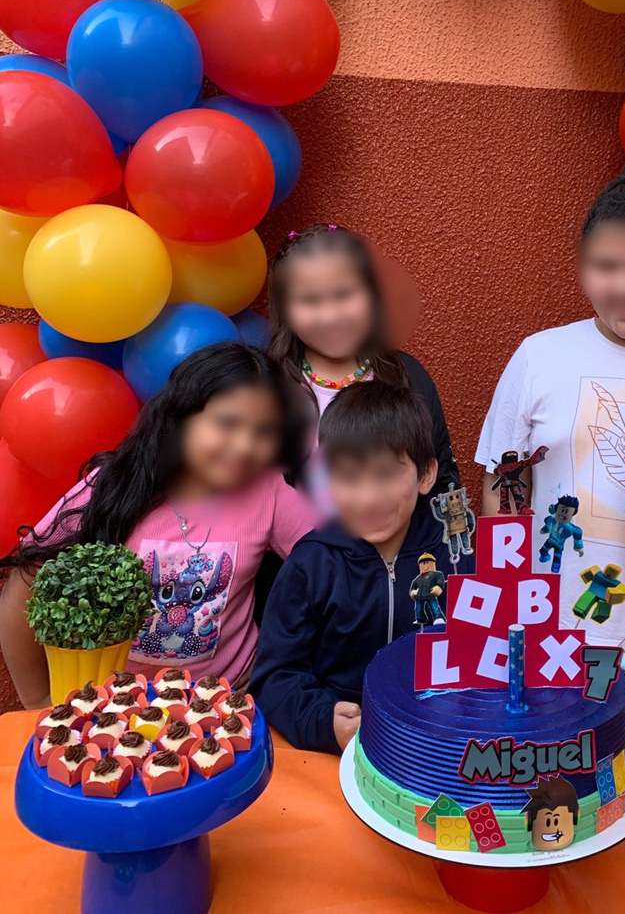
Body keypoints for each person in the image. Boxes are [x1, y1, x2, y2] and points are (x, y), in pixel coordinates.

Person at [475, 165, 625, 642]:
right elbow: (502, 486)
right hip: (553, 643)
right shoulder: (540, 356)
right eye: (606, 267)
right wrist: (509, 607)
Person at [0, 343, 316, 709]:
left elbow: (335, 559)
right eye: (228, 423)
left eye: (264, 431)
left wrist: (283, 670)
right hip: (114, 710)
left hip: (225, 704)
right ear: (181, 417)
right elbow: (26, 581)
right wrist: (37, 699)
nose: (246, 446)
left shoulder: (267, 491)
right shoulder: (113, 486)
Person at [251, 381, 463, 754]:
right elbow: (274, 678)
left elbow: (487, 651)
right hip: (340, 751)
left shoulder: (458, 557)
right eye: (349, 477)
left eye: (386, 474)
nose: (368, 498)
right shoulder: (310, 564)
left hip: (439, 743)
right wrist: (323, 719)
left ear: (426, 474)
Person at [267, 223, 458, 509]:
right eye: (310, 300)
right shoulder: (269, 389)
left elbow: (441, 484)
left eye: (344, 294)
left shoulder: (409, 377)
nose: (331, 316)